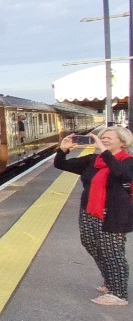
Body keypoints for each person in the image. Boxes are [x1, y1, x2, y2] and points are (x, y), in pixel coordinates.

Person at [54, 127, 133, 306]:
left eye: (109, 138)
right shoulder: (94, 160)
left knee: (112, 251)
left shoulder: (127, 162)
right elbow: (61, 165)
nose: (104, 140)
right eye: (102, 137)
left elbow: (122, 175)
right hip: (89, 211)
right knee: (91, 244)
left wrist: (104, 152)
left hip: (114, 213)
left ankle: (118, 294)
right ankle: (110, 281)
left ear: (122, 141)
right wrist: (63, 149)